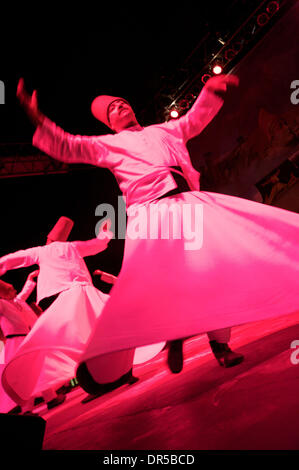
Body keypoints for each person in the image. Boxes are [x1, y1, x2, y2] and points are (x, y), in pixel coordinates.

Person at [15, 75, 299, 391]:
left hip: (188, 203)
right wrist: (36, 117)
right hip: (151, 214)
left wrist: (210, 91)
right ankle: (176, 331)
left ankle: (220, 344)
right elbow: (69, 145)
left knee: (212, 270)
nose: (121, 106)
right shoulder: (107, 145)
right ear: (110, 123)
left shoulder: (164, 130)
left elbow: (194, 120)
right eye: (114, 109)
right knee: (166, 280)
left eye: (123, 102)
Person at [0, 216, 115, 410]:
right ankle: (116, 371)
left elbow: (13, 258)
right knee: (101, 332)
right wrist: (106, 231)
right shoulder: (73, 246)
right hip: (85, 293)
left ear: (49, 240)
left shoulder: (42, 251)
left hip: (63, 298)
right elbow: (99, 244)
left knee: (69, 343)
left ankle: (93, 382)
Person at [0, 272, 38, 413]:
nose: (15, 291)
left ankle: (50, 397)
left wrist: (29, 279)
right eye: (11, 289)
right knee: (22, 374)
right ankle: (22, 408)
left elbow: (24, 292)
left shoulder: (16, 302)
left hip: (23, 339)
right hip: (13, 342)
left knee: (34, 370)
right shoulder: (2, 304)